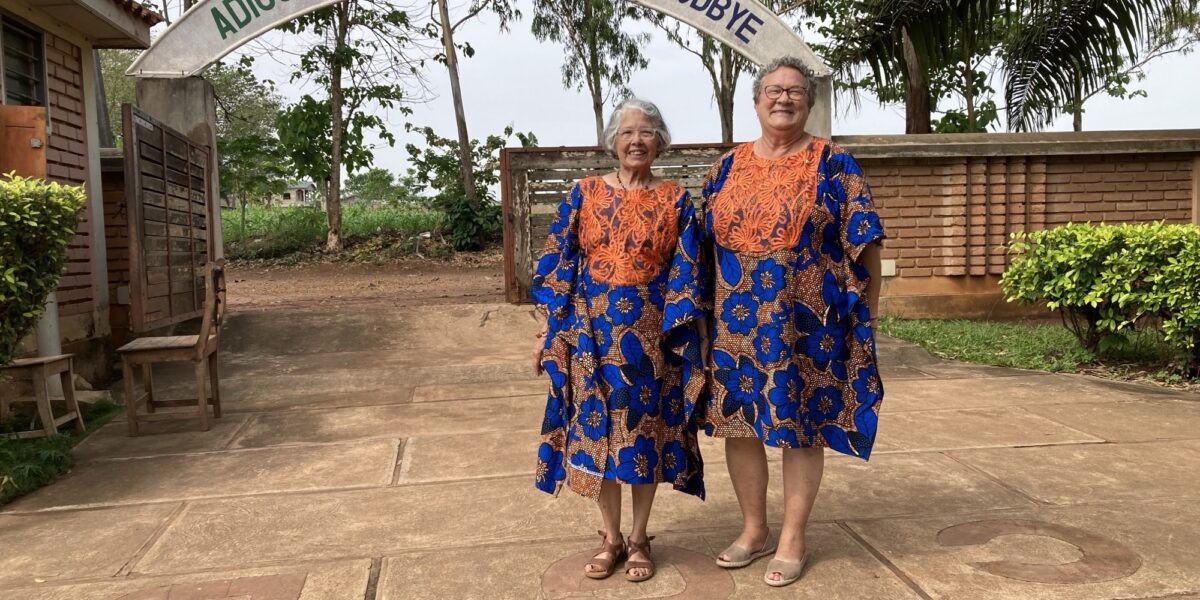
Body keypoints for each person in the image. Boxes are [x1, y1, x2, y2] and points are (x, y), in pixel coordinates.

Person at [699, 56, 886, 587]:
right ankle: (753, 530)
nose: (784, 99)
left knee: (801, 426)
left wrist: (867, 315)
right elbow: (700, 249)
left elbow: (866, 243)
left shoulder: (834, 162)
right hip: (736, 325)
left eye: (796, 92)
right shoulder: (726, 167)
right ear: (756, 100)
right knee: (739, 424)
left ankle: (792, 538)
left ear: (809, 102)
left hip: (809, 322)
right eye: (773, 91)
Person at [530, 98, 708, 583]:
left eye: (647, 132)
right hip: (590, 334)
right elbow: (558, 262)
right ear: (612, 141)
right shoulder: (584, 193)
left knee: (641, 436)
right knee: (598, 432)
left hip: (651, 339)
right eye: (627, 132)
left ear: (660, 141)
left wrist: (691, 340)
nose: (636, 140)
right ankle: (609, 537)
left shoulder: (676, 199)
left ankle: (640, 537)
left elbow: (689, 274)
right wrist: (550, 331)